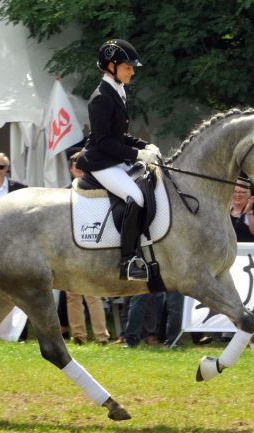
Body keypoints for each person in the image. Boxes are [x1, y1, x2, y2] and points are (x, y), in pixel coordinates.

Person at [75, 39, 162, 281]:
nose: (132, 71)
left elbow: (120, 136)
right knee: (135, 197)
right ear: (112, 66)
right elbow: (103, 141)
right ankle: (128, 261)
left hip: (114, 157)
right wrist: (136, 155)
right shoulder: (101, 97)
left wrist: (145, 146)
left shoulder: (118, 89)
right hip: (101, 161)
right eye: (128, 67)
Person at [64, 153, 111, 345]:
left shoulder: (99, 191)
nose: (77, 166)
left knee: (93, 295)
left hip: (92, 249)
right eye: (74, 163)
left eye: (81, 162)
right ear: (70, 168)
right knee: (72, 297)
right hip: (69, 251)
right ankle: (78, 338)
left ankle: (101, 337)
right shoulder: (62, 194)